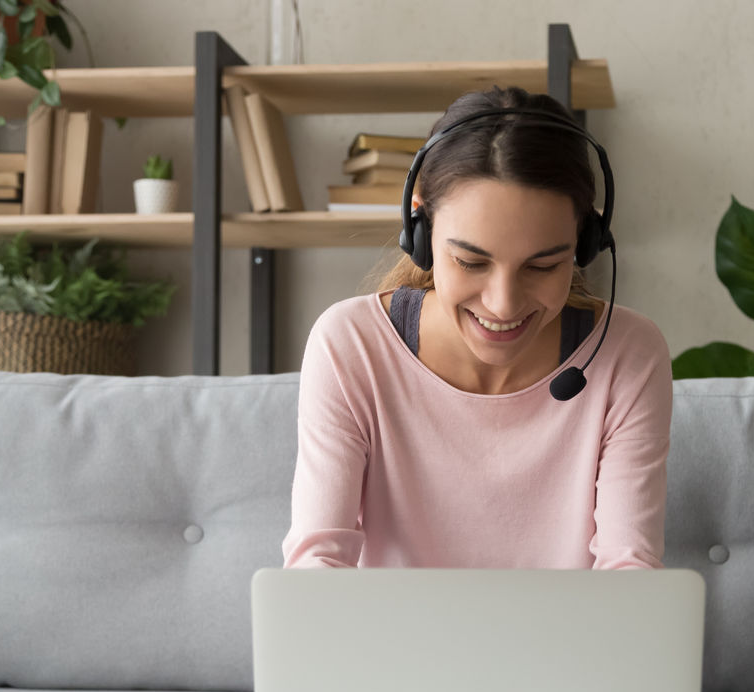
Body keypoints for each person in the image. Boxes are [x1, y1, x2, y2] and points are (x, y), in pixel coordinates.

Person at [281, 85, 672, 570]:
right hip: (388, 648)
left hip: (570, 648)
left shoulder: (627, 354)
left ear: (584, 242)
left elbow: (630, 574)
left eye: (543, 266)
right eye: (470, 261)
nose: (503, 304)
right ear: (419, 228)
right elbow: (315, 569)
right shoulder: (351, 345)